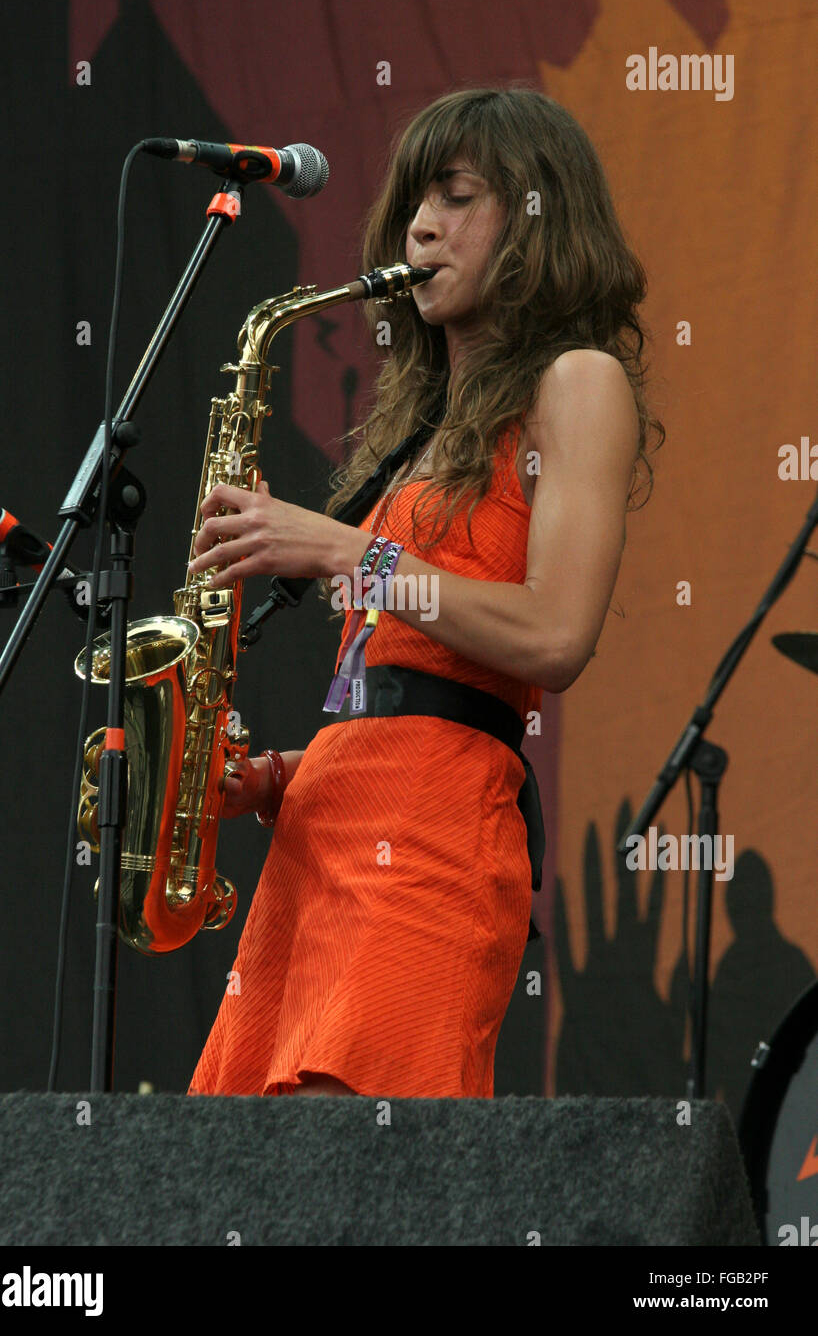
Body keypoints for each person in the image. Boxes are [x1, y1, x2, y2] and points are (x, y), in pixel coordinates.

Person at [186, 86, 662, 1099]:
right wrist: (265, 778)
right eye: (412, 203)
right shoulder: (425, 428)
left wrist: (344, 552)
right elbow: (399, 687)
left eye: (454, 198)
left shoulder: (575, 381)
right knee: (243, 1186)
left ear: (537, 220)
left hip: (433, 841)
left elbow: (553, 636)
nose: (418, 225)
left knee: (355, 1189)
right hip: (320, 839)